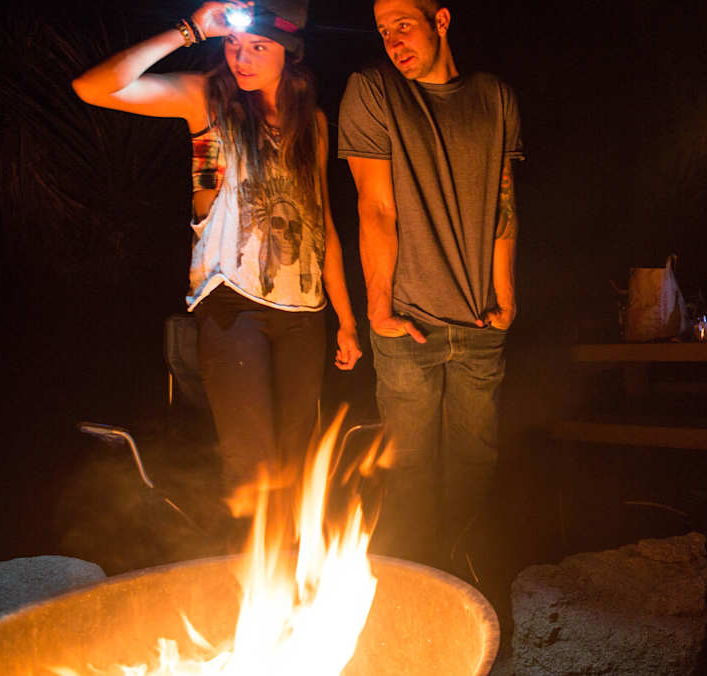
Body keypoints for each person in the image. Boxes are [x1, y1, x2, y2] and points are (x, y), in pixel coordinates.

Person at [72, 0, 362, 495]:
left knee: (298, 463)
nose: (240, 58)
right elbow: (93, 88)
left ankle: (294, 567)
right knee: (253, 462)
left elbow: (324, 226)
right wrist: (188, 32)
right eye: (232, 44)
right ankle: (248, 563)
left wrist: (348, 322)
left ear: (289, 54)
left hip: (305, 313)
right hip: (231, 304)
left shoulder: (311, 124)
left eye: (257, 47)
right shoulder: (206, 100)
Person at [337, 0, 523, 569]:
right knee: (408, 478)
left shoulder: (494, 97)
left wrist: (506, 297)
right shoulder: (373, 91)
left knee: (475, 472)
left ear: (440, 21)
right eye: (383, 31)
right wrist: (379, 311)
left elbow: (503, 202)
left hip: (478, 325)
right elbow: (376, 207)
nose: (393, 42)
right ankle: (413, 605)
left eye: (404, 26)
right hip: (408, 329)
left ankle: (471, 595)